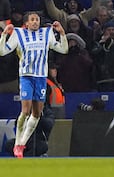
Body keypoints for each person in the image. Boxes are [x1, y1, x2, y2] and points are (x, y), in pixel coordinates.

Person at [0, 12, 68, 158]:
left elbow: (64, 49)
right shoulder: (18, 34)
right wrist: (4, 35)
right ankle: (18, 143)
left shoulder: (46, 34)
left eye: (37, 19)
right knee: (25, 111)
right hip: (26, 77)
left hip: (41, 78)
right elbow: (2, 51)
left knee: (36, 114)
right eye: (32, 20)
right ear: (27, 23)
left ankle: (21, 144)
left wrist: (62, 33)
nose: (36, 22)